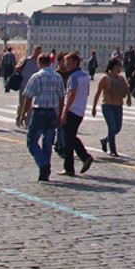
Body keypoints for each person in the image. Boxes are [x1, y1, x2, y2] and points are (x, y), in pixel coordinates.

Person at [21, 51, 66, 182]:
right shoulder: (57, 77)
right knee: (47, 142)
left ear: (39, 63)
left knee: (31, 141)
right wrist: (60, 114)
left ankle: (43, 164)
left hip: (39, 111)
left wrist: (23, 113)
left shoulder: (36, 76)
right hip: (52, 112)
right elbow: (62, 97)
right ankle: (45, 170)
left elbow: (28, 97)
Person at [58, 52, 93, 176]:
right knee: (70, 137)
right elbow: (87, 92)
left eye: (67, 63)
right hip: (80, 110)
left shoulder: (73, 77)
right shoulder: (84, 75)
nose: (65, 65)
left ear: (74, 63)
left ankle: (75, 164)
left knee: (68, 139)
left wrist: (64, 111)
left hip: (72, 110)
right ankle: (82, 159)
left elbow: (71, 94)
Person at [91, 56, 131, 157]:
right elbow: (98, 93)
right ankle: (113, 150)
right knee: (112, 127)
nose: (120, 68)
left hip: (118, 105)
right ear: (114, 66)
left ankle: (105, 140)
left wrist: (129, 98)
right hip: (107, 105)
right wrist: (94, 107)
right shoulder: (105, 78)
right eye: (119, 66)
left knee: (118, 128)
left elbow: (127, 89)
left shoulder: (121, 78)